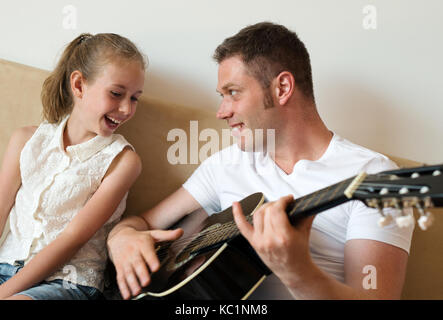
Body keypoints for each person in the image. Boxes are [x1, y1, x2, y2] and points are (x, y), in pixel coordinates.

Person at [107, 22, 414, 300]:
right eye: (221, 95)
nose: (222, 111)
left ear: (282, 88)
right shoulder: (226, 164)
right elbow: (143, 223)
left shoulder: (373, 176)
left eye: (233, 93)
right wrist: (121, 238)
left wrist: (298, 272)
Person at [0, 33, 145, 300]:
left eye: (134, 98)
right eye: (116, 94)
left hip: (67, 282)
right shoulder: (26, 140)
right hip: (5, 267)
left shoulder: (122, 161)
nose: (126, 108)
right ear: (79, 85)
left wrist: (4, 293)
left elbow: (73, 238)